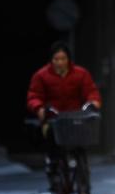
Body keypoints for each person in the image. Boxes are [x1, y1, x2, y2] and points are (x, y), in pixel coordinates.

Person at [26, 42, 102, 178]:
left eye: (63, 59)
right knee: (50, 138)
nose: (60, 62)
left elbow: (91, 91)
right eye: (56, 59)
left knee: (83, 137)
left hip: (75, 117)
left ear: (68, 59)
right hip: (53, 118)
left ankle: (81, 167)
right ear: (51, 60)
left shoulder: (81, 74)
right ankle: (53, 165)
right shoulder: (41, 76)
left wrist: (93, 102)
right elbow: (34, 96)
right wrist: (39, 108)